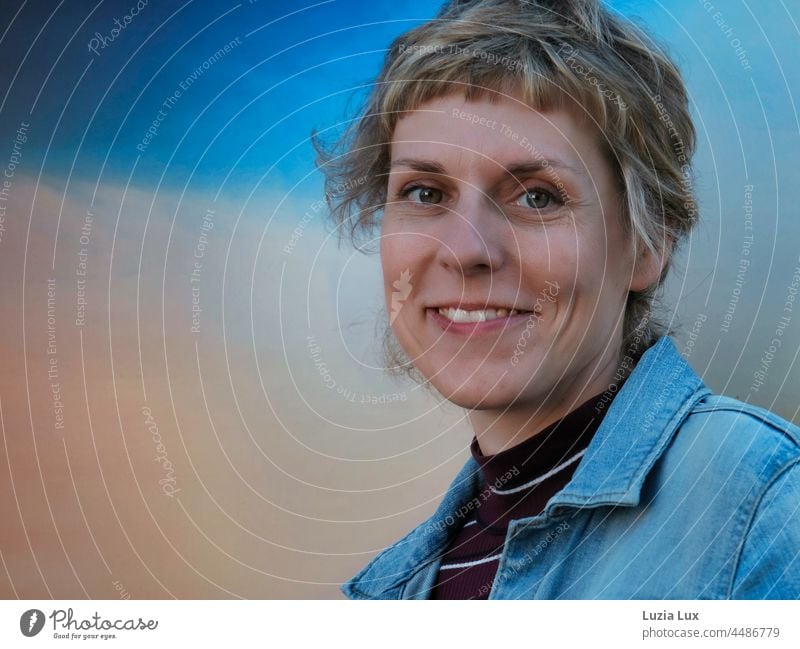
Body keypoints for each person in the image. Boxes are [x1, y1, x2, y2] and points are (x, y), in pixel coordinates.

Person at [315, 0, 800, 599]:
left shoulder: (760, 504)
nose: (466, 250)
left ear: (648, 245)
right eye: (424, 191)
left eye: (538, 197)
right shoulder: (393, 589)